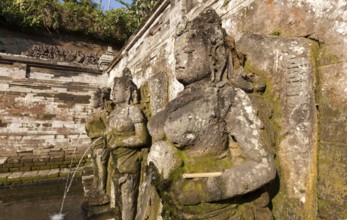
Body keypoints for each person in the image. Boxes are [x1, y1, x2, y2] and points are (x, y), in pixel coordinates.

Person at [147, 8, 276, 219]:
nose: (180, 61)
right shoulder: (177, 102)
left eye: (189, 53)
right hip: (174, 204)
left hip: (214, 209)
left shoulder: (226, 97)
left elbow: (264, 166)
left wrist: (202, 190)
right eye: (176, 55)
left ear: (214, 54)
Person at [106, 68, 149, 220]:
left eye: (116, 90)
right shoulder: (113, 113)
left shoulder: (134, 112)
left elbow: (142, 138)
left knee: (127, 199)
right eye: (112, 90)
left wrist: (119, 142)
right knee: (119, 199)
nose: (113, 94)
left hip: (129, 160)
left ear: (127, 92)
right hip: (115, 159)